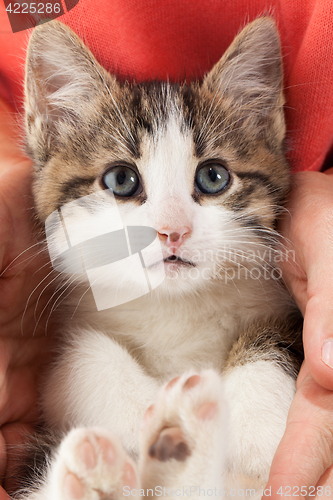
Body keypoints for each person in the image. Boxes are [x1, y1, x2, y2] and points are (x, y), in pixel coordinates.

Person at [1, 0, 333, 497]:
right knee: (87, 361)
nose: (171, 228)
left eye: (212, 178)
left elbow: (263, 442)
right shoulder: (84, 332)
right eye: (122, 181)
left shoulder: (263, 293)